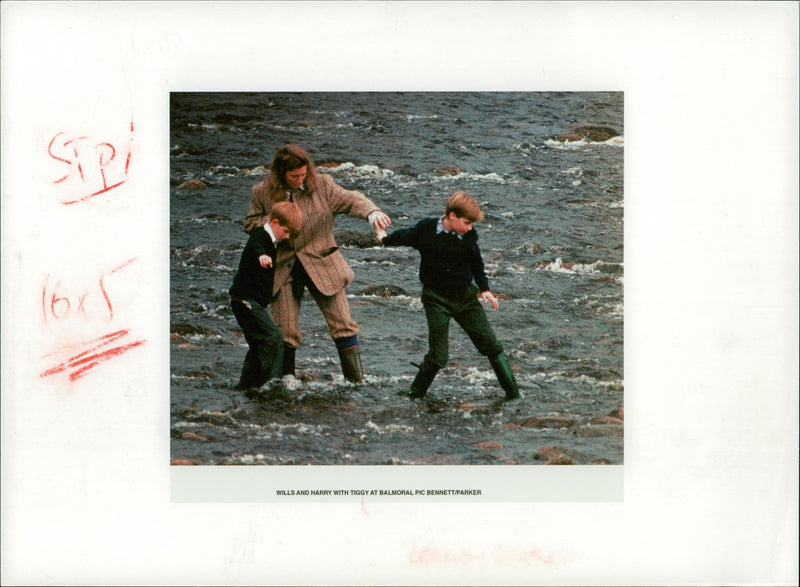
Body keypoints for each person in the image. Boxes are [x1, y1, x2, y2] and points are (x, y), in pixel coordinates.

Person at [244, 144, 391, 383]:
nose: (300, 179)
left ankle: (356, 385)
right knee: (285, 332)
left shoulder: (322, 184)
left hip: (323, 263)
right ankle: (286, 385)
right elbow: (250, 224)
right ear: (280, 173)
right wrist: (272, 223)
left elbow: (350, 199)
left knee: (343, 324)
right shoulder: (261, 191)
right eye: (294, 176)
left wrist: (371, 213)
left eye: (303, 174)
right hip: (283, 267)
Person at [377, 191, 520, 400]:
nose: (470, 228)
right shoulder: (426, 230)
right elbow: (406, 236)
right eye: (466, 222)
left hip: (466, 299)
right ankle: (414, 396)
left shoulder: (468, 237)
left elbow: (477, 263)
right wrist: (385, 239)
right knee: (438, 357)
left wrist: (485, 289)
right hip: (437, 301)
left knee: (492, 346)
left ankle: (514, 396)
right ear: (452, 216)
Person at [230, 201, 302, 396]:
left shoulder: (273, 239)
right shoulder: (261, 236)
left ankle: (245, 387)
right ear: (275, 222)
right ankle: (270, 386)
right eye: (286, 231)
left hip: (246, 301)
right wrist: (262, 255)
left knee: (258, 344)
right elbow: (256, 246)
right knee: (273, 338)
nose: (287, 236)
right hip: (245, 300)